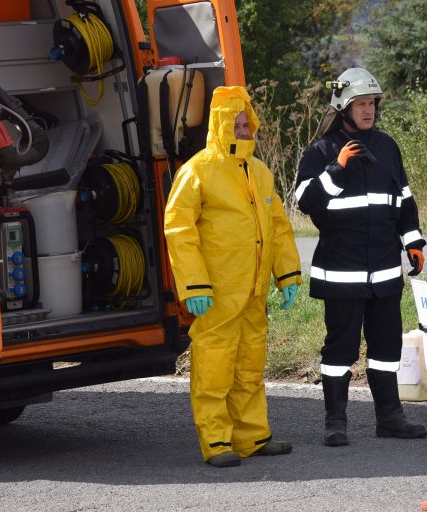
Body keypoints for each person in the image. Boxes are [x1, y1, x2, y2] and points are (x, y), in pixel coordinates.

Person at [164, 86, 302, 467]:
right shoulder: (198, 171)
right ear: (220, 125)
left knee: (249, 364)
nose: (244, 130)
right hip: (217, 291)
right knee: (215, 364)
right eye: (236, 124)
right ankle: (217, 441)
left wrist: (287, 274)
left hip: (253, 289)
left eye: (247, 123)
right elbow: (179, 230)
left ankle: (252, 436)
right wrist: (194, 284)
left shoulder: (259, 171)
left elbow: (278, 226)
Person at [294, 68, 427, 447]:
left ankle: (390, 417)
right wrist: (338, 168)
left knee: (388, 348)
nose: (368, 110)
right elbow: (305, 202)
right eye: (361, 104)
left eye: (372, 103)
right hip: (341, 270)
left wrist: (412, 241)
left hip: (385, 268)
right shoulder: (321, 151)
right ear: (343, 107)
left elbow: (403, 199)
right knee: (340, 350)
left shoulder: (387, 146)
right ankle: (335, 421)